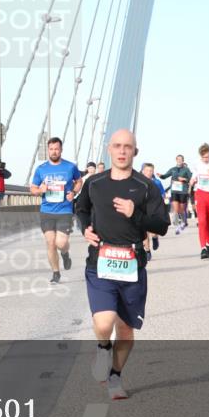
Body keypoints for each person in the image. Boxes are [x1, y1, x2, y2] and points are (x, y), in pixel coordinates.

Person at [75, 129, 170, 400]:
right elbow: (80, 208)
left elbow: (162, 225)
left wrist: (136, 214)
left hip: (132, 263)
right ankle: (103, 348)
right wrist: (85, 229)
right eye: (117, 145)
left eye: (127, 146)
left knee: (126, 330)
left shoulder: (146, 187)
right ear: (109, 149)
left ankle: (115, 376)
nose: (122, 151)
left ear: (135, 151)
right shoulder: (94, 183)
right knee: (104, 323)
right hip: (100, 262)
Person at [30, 137, 83, 284]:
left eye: (56, 149)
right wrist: (40, 190)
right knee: (51, 243)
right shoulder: (41, 169)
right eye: (51, 149)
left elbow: (79, 181)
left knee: (61, 243)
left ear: (61, 150)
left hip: (64, 210)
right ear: (48, 150)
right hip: (46, 211)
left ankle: (65, 253)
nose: (54, 152)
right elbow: (33, 188)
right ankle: (56, 272)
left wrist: (73, 192)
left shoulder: (70, 167)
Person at [160, 155, 192, 234]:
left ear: (183, 160)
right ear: (176, 160)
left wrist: (184, 179)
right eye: (178, 159)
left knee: (181, 209)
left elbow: (191, 179)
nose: (179, 161)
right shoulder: (173, 169)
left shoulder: (186, 169)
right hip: (174, 191)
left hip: (183, 191)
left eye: (181, 159)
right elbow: (165, 176)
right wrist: (161, 176)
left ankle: (183, 222)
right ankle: (177, 226)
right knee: (176, 209)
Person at [140, 163, 165, 258]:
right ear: (143, 171)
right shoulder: (138, 182)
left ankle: (155, 238)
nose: (149, 172)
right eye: (147, 170)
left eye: (151, 171)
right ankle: (147, 251)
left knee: (153, 231)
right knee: (144, 231)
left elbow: (162, 194)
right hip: (142, 209)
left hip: (154, 209)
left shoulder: (157, 182)